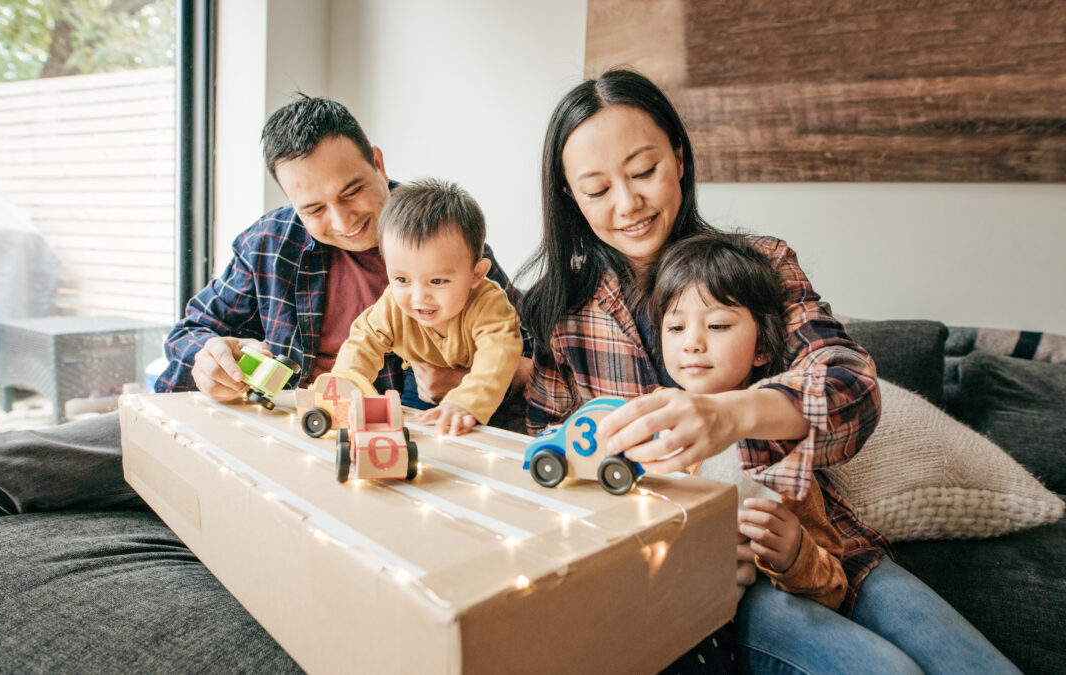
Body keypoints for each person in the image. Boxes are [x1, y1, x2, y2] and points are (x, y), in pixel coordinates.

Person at [519, 68, 1018, 674]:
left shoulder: (760, 265)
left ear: (678, 157)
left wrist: (731, 414)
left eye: (644, 171)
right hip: (695, 584)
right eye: (597, 189)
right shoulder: (560, 312)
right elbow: (546, 467)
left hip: (823, 547)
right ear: (571, 198)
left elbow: (851, 386)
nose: (628, 205)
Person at [0, 94, 528, 516]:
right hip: (275, 424)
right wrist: (209, 358)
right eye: (314, 207)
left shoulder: (445, 239)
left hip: (389, 450)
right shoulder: (272, 243)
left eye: (353, 190)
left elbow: (535, 361)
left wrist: (473, 383)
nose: (342, 221)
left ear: (379, 162)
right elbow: (190, 332)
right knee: (17, 463)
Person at [651, 232, 847, 611]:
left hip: (722, 613)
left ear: (761, 348)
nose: (692, 343)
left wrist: (794, 553)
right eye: (676, 328)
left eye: (718, 326)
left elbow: (834, 584)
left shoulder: (777, 445)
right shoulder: (647, 414)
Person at [331, 178, 522, 435]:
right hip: (418, 388)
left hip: (486, 394)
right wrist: (345, 382)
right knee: (410, 434)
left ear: (477, 273)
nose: (419, 297)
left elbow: (498, 353)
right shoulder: (392, 306)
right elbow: (362, 342)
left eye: (437, 281)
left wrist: (465, 402)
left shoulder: (488, 304)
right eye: (401, 279)